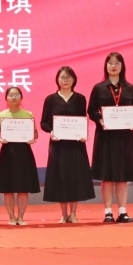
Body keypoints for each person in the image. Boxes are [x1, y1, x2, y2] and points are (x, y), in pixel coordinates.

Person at [88, 52, 133, 223]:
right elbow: (91, 110)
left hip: (125, 137)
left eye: (117, 63)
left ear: (122, 66)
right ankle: (108, 212)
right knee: (108, 176)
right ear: (106, 66)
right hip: (105, 137)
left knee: (123, 176)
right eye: (110, 63)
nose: (113, 66)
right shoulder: (99, 88)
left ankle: (123, 212)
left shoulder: (130, 88)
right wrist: (100, 120)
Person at [40, 66, 94, 222]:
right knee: (60, 177)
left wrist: (83, 134)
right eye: (62, 77)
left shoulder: (80, 99)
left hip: (76, 145)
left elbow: (82, 120)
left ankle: (74, 214)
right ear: (57, 80)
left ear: (74, 80)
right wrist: (51, 131)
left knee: (75, 177)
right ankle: (64, 214)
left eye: (68, 77)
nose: (65, 80)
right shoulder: (50, 99)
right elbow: (44, 122)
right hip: (57, 145)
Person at [0, 87, 40, 225]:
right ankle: (12, 217)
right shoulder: (0, 116)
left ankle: (21, 217)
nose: (13, 97)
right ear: (6, 98)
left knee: (23, 187)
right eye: (11, 95)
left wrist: (32, 138)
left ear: (21, 97)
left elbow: (35, 134)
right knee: (7, 187)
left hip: (24, 152)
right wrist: (0, 139)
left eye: (16, 94)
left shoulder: (28, 114)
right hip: (7, 152)